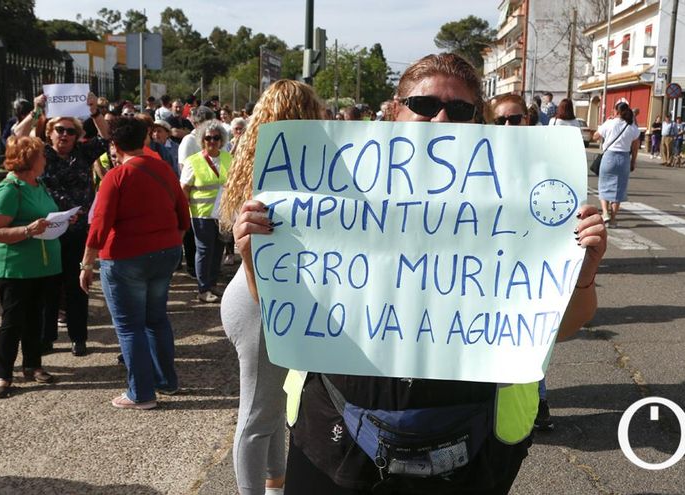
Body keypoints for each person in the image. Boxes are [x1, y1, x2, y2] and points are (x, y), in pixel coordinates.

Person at [233, 53, 607, 494]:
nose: (441, 118)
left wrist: (584, 273)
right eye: (425, 105)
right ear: (396, 110)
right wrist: (254, 257)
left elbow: (564, 327)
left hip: (471, 444)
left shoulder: (520, 205)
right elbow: (283, 311)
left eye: (460, 109)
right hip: (331, 432)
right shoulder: (335, 181)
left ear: (478, 119)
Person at [219, 79, 326, 495]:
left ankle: (275, 485)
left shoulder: (267, 164)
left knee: (275, 406)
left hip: (259, 298)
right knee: (258, 414)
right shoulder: (282, 174)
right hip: (258, 303)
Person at [79, 117, 190, 410]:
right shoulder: (164, 170)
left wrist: (86, 264)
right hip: (164, 253)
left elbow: (99, 226)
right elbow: (183, 215)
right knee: (156, 319)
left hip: (125, 257)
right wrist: (169, 243)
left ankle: (140, 393)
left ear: (114, 145)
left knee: (130, 327)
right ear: (145, 140)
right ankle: (166, 381)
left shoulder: (115, 177)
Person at [12, 92, 109, 357]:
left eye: (70, 131)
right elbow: (17, 137)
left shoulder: (83, 153)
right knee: (49, 287)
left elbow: (106, 138)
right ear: (50, 133)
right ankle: (47, 338)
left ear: (77, 135)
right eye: (59, 130)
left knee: (77, 285)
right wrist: (36, 111)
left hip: (77, 231)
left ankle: (79, 337)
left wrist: (94, 111)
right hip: (48, 232)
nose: (64, 135)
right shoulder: (40, 154)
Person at [492, 94, 555, 432]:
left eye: (514, 118)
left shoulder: (546, 160)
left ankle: (538, 400)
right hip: (485, 268)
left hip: (528, 265)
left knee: (531, 337)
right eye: (499, 120)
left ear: (527, 120)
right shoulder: (473, 157)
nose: (507, 125)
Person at [0, 136, 63, 398]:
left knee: (35, 318)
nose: (45, 159)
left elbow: (44, 215)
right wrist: (28, 230)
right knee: (13, 322)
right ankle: (3, 375)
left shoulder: (38, 184)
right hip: (15, 267)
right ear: (30, 159)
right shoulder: (10, 189)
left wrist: (62, 220)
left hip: (41, 265)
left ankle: (32, 365)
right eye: (42, 155)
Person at [182, 122, 230, 303]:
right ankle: (203, 289)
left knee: (218, 250)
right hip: (202, 214)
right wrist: (183, 212)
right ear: (202, 140)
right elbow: (184, 189)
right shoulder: (193, 161)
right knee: (204, 250)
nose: (212, 141)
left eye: (216, 138)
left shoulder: (229, 158)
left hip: (223, 214)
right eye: (208, 137)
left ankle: (213, 284)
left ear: (221, 140)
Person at [594, 102, 641, 228]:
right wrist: (633, 161)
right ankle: (613, 219)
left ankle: (605, 213)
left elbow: (595, 136)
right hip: (624, 158)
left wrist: (606, 123)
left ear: (616, 111)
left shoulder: (609, 123)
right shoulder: (632, 127)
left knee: (604, 185)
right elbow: (635, 147)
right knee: (618, 189)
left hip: (609, 157)